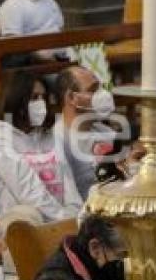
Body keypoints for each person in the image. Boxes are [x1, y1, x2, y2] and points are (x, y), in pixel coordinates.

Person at [0, 72, 83, 223]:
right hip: (22, 228)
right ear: (16, 99)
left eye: (43, 97)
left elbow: (69, 185)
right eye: (34, 97)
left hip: (61, 222)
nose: (41, 104)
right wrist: (63, 220)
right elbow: (27, 190)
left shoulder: (48, 135)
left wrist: (75, 214)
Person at [54, 66, 125, 200]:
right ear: (71, 98)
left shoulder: (105, 131)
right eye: (93, 90)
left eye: (100, 88)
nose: (103, 94)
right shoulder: (58, 142)